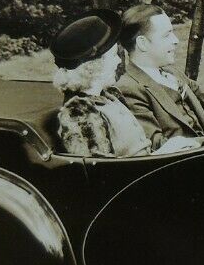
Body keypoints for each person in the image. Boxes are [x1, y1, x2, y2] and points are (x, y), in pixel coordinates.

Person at [114, 3, 204, 152]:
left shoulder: (170, 72)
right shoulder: (128, 89)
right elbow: (157, 145)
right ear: (143, 43)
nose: (176, 40)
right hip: (186, 161)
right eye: (167, 35)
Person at [49, 9, 151, 157]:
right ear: (94, 67)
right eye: (114, 55)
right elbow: (103, 168)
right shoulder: (79, 114)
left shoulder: (109, 97)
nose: (118, 61)